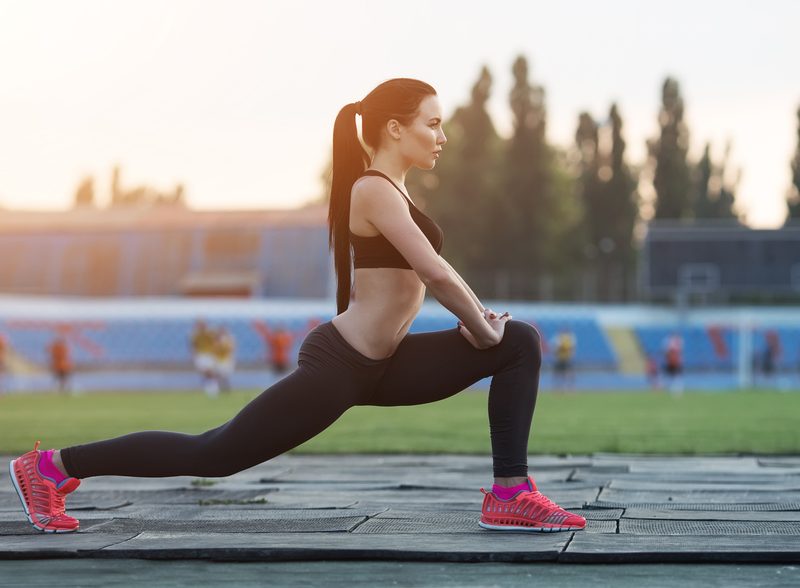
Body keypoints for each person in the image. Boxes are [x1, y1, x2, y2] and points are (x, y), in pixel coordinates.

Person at [9, 78, 585, 534]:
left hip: (387, 364)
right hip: (343, 365)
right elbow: (432, 272)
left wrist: (486, 331)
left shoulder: (398, 190)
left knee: (520, 343)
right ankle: (52, 467)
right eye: (432, 124)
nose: (442, 136)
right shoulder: (373, 189)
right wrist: (478, 324)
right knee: (215, 454)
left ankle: (509, 494)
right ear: (394, 127)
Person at [190, 320, 218, 396]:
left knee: (210, 371)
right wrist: (194, 354)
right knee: (204, 372)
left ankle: (214, 388)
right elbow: (193, 344)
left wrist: (215, 351)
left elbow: (215, 341)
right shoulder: (195, 334)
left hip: (209, 354)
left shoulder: (210, 332)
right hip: (200, 355)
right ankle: (208, 387)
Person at [212, 327, 236, 394]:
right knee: (219, 376)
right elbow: (215, 350)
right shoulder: (216, 340)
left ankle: (226, 389)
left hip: (226, 360)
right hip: (219, 360)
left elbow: (231, 349)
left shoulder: (228, 339)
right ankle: (220, 389)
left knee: (225, 376)